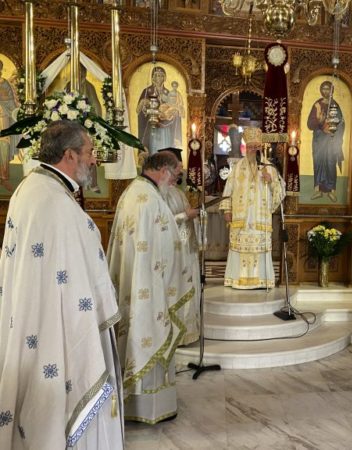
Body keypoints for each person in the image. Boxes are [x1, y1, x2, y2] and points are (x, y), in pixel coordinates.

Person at [0, 120, 124, 448]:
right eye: (90, 152)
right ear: (69, 155)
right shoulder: (56, 202)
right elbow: (80, 274)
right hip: (57, 324)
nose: (94, 160)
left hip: (31, 316)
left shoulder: (31, 187)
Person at [107, 151, 194, 424]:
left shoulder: (134, 192)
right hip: (149, 287)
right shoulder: (149, 199)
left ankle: (139, 402)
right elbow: (164, 246)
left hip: (138, 282)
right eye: (176, 174)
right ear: (163, 170)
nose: (176, 179)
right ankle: (149, 408)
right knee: (149, 333)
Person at [219, 127, 285, 289]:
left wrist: (271, 181)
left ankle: (262, 281)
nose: (252, 150)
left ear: (260, 147)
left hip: (259, 220)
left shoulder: (269, 167)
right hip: (241, 219)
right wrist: (227, 210)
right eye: (250, 147)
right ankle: (236, 280)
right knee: (239, 248)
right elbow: (228, 190)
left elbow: (281, 191)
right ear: (246, 147)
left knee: (259, 249)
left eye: (256, 147)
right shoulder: (238, 167)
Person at [158, 147, 201, 345]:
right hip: (173, 252)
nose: (180, 174)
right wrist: (186, 215)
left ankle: (189, 330)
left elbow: (185, 213)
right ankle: (176, 334)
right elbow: (161, 223)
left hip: (187, 248)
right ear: (166, 169)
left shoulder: (177, 191)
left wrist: (194, 214)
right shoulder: (159, 193)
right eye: (177, 170)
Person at [66, 63, 102, 193]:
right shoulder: (69, 85)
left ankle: (92, 183)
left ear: (85, 73)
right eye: (77, 72)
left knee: (89, 154)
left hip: (87, 127)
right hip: (72, 129)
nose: (79, 74)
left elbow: (96, 106)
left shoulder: (89, 87)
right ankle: (73, 182)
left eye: (81, 72)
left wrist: (95, 121)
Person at [307, 80, 345, 202]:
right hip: (318, 141)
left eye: (328, 89)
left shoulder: (335, 105)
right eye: (323, 88)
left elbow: (341, 123)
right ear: (320, 90)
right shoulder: (317, 105)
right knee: (318, 163)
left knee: (330, 163)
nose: (325, 91)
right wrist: (319, 121)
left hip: (331, 141)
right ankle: (317, 190)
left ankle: (332, 191)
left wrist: (332, 129)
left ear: (332, 91)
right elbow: (310, 124)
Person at [136, 66, 183, 153]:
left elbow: (172, 106)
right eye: (157, 75)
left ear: (164, 78)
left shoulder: (168, 93)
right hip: (152, 126)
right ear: (153, 78)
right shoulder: (147, 91)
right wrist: (144, 104)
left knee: (164, 148)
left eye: (161, 75)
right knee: (153, 149)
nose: (159, 78)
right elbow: (139, 111)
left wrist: (172, 111)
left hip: (165, 127)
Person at [0, 60, 19, 191]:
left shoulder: (5, 83)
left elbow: (11, 101)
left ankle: (3, 176)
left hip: (3, 117)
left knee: (3, 144)